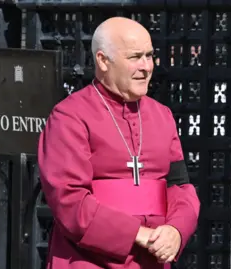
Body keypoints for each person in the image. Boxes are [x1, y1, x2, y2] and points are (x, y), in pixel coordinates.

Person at [37, 17, 200, 269]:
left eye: (149, 55)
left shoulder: (162, 116)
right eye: (135, 57)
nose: (146, 66)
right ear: (103, 60)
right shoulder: (69, 116)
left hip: (152, 259)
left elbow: (179, 186)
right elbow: (68, 199)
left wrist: (176, 230)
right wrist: (138, 233)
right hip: (88, 259)